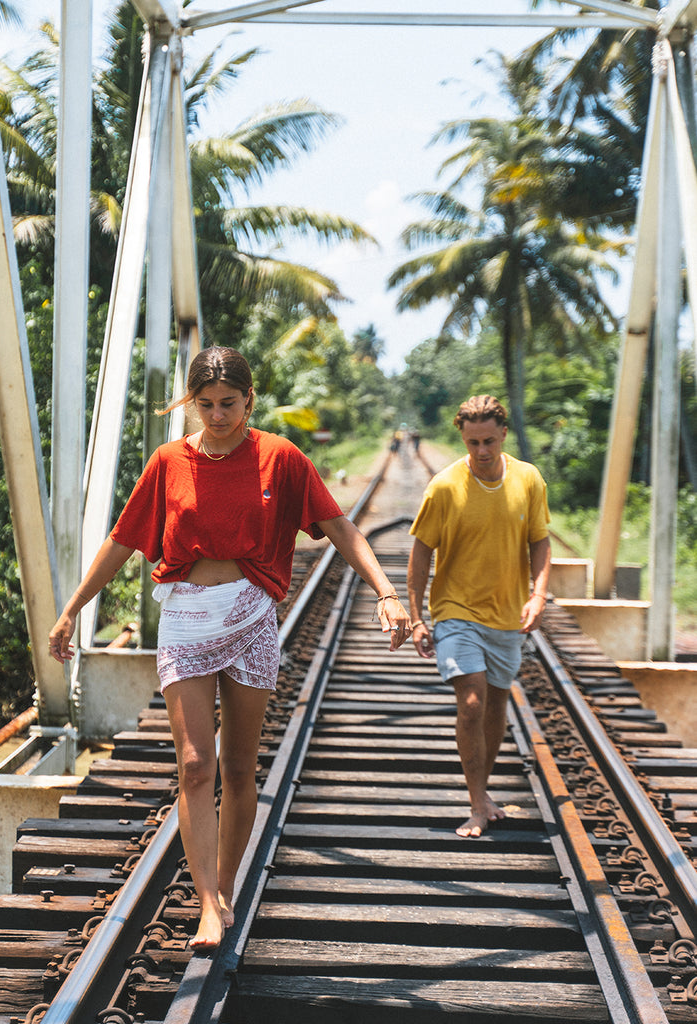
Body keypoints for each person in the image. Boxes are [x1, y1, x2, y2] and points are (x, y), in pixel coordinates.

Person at [49, 346, 411, 951]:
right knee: (195, 764)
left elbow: (338, 525)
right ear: (192, 403)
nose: (218, 417)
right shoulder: (169, 462)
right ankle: (208, 905)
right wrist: (71, 609)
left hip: (252, 613)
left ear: (250, 399)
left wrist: (388, 592)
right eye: (206, 405)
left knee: (240, 767)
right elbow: (122, 539)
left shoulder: (281, 458)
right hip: (187, 613)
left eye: (229, 404)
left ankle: (227, 885)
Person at [406, 395, 551, 838]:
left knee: (496, 705)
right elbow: (419, 555)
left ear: (504, 434)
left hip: (507, 614)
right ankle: (475, 804)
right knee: (471, 701)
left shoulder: (528, 479)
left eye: (489, 441)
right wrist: (416, 617)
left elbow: (540, 542)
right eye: (473, 443)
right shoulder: (446, 487)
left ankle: (483, 791)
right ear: (463, 439)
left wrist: (539, 593)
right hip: (456, 610)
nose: (482, 451)